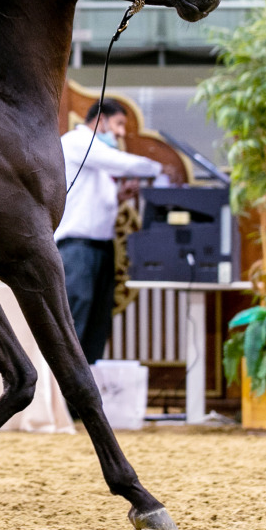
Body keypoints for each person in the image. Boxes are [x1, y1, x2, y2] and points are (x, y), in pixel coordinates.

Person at [56, 98, 162, 365]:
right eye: (119, 124)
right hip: (77, 249)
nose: (122, 133)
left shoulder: (97, 156)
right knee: (76, 322)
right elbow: (123, 164)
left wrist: (119, 196)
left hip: (102, 248)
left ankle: (88, 387)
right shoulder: (78, 142)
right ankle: (64, 389)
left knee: (97, 323)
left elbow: (90, 200)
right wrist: (159, 170)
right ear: (101, 120)